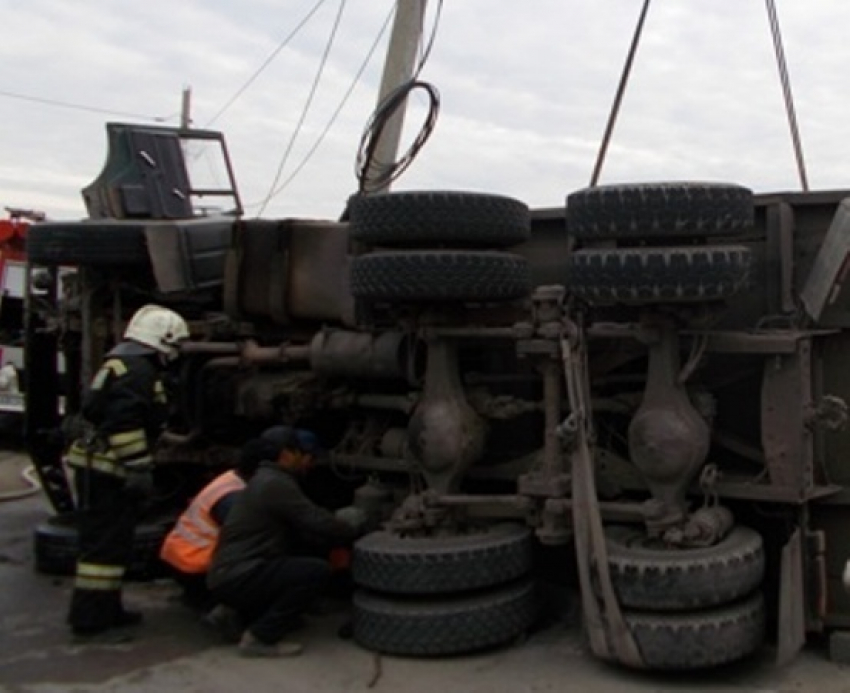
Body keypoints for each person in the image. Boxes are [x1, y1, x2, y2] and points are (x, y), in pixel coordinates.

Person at [65, 304, 189, 639]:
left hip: (101, 469)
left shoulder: (122, 364)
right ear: (163, 342)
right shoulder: (138, 372)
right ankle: (91, 623)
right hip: (108, 472)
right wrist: (138, 467)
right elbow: (124, 425)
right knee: (102, 551)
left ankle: (107, 610)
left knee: (112, 545)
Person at [207, 425, 366, 658]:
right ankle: (260, 637)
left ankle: (230, 612)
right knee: (314, 571)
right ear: (286, 454)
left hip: (226, 573)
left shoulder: (264, 478)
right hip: (238, 575)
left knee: (296, 556)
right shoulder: (275, 484)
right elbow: (316, 521)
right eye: (301, 453)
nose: (305, 460)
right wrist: (353, 527)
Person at [159, 438, 272, 611]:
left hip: (179, 558)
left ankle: (200, 598)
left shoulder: (229, 479)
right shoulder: (234, 497)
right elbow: (251, 537)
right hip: (196, 565)